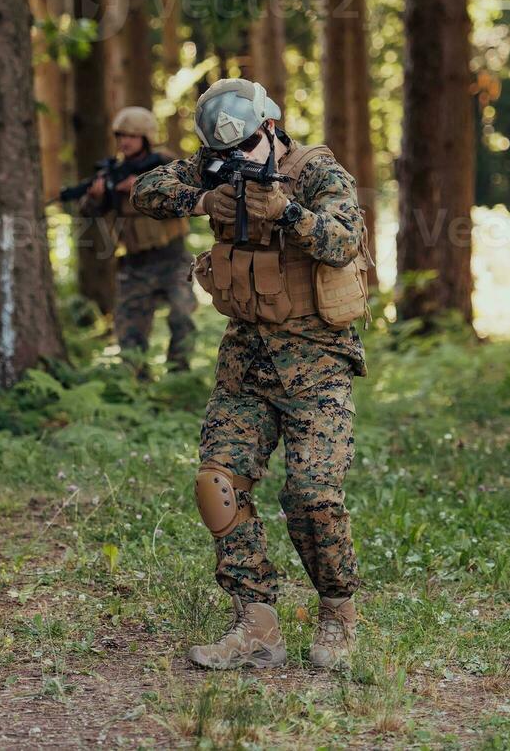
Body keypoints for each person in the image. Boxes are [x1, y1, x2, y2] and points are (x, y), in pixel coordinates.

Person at [131, 78, 371, 670]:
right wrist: (201, 198)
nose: (233, 163)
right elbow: (146, 190)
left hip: (318, 363)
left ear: (270, 128)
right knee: (217, 485)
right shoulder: (213, 165)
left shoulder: (316, 171)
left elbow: (345, 241)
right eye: (220, 155)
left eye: (242, 151)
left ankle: (338, 612)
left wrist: (289, 213)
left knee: (313, 497)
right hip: (247, 360)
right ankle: (256, 622)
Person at [77, 106, 196, 374]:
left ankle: (180, 379)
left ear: (146, 137)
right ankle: (136, 387)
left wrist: (143, 185)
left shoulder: (164, 164)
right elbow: (90, 212)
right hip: (135, 265)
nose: (125, 142)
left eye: (132, 136)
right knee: (130, 333)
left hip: (172, 259)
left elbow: (186, 193)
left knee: (182, 317)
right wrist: (96, 197)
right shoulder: (112, 172)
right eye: (121, 136)